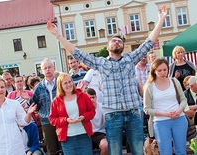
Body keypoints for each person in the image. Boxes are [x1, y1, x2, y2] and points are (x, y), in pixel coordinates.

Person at [47, 5, 167, 155]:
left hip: (133, 112)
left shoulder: (131, 59)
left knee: (138, 150)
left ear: (123, 46)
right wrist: (58, 36)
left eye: (119, 41)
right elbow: (76, 52)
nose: (117, 42)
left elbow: (149, 41)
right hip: (112, 115)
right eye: (114, 41)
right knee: (114, 151)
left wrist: (161, 18)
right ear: (108, 46)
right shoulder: (100, 63)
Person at [0, 75, 37, 155]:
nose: (0, 90)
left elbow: (24, 122)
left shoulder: (15, 104)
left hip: (15, 148)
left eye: (2, 87)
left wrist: (29, 113)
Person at [143, 58, 188, 155]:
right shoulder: (149, 87)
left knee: (181, 151)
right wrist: (165, 114)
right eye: (159, 70)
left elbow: (183, 100)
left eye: (165, 70)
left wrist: (179, 110)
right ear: (154, 71)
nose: (163, 73)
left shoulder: (174, 81)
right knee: (165, 152)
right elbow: (147, 109)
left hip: (179, 119)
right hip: (161, 121)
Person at [49, 73, 95, 155]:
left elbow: (92, 111)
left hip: (83, 135)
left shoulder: (83, 95)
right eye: (65, 83)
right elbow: (52, 119)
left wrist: (84, 117)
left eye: (70, 82)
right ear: (60, 85)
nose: (69, 85)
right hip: (67, 138)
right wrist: (65, 120)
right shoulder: (56, 101)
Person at [33, 58, 60, 155]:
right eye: (45, 68)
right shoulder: (38, 87)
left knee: (64, 147)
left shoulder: (60, 83)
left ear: (54, 68)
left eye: (49, 67)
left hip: (62, 120)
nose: (48, 70)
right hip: (46, 121)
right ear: (42, 71)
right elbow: (35, 104)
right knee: (51, 150)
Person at [86, 88, 108, 155]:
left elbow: (106, 123)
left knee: (105, 145)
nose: (92, 99)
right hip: (86, 134)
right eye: (89, 98)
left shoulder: (101, 107)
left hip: (100, 133)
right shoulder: (82, 108)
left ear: (96, 97)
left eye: (93, 97)